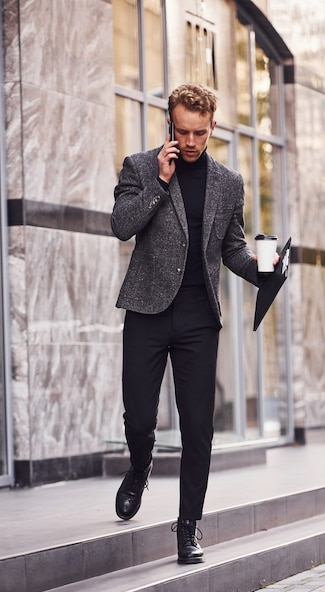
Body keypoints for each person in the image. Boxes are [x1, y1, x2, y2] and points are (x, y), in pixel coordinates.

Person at [111, 83, 275, 565]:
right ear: (169, 125)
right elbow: (121, 225)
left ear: (212, 127)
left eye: (199, 132)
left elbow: (232, 248)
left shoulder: (229, 183)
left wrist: (263, 270)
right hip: (146, 310)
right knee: (140, 418)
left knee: (198, 428)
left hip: (199, 318)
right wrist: (160, 185)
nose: (190, 141)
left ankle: (188, 526)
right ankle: (139, 466)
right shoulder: (141, 167)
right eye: (182, 131)